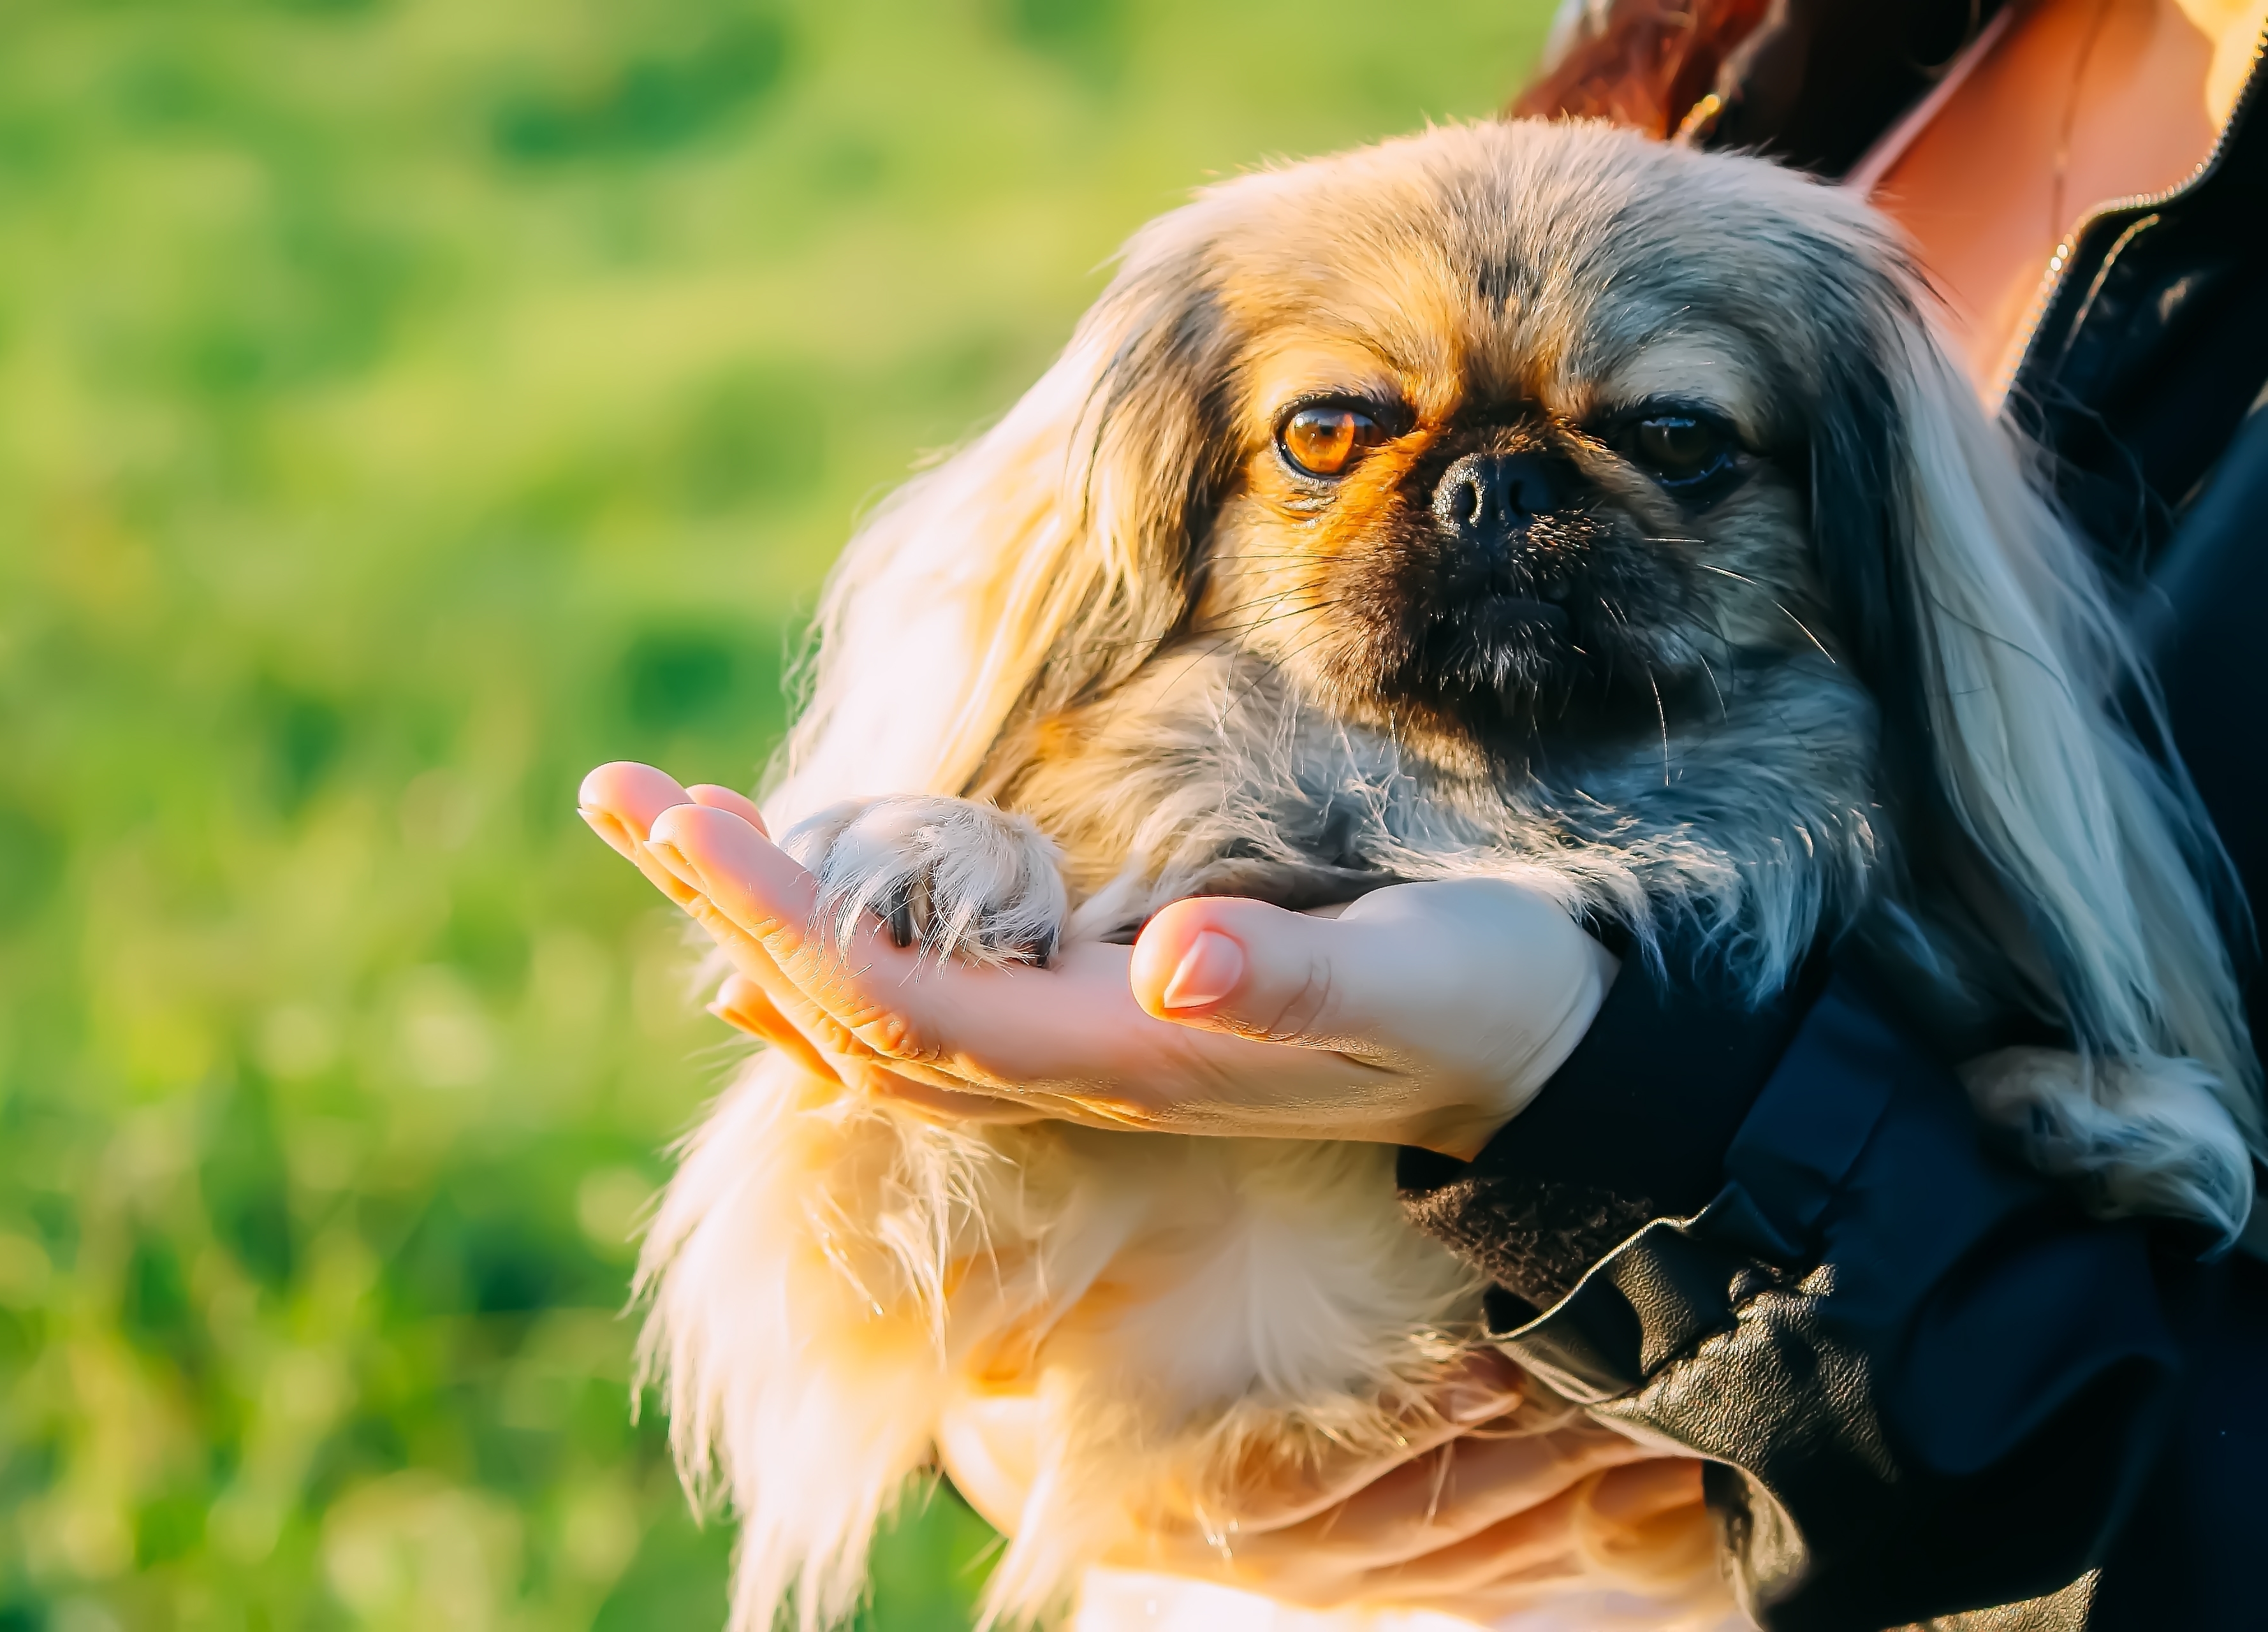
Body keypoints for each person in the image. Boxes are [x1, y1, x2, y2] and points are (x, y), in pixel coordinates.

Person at [580, 1, 2268, 1623]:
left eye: (1669, 436)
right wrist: (1017, 1401)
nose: (1489, 494)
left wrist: (1594, 1091)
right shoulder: (1751, 30)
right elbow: (860, 1302)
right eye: (1335, 430)